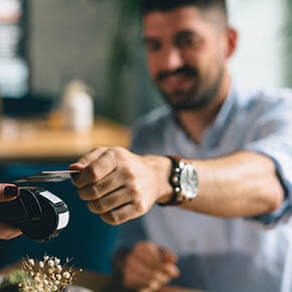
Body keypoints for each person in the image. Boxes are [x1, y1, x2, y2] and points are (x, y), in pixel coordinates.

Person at [70, 0, 292, 291]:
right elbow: (126, 249)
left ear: (229, 42)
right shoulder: (147, 136)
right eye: (154, 45)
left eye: (186, 41)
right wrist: (132, 263)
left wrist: (163, 176)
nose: (168, 63)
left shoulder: (280, 112)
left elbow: (270, 185)